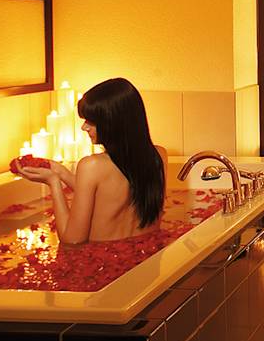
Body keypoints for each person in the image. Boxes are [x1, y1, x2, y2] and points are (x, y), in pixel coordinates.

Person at [16, 77, 166, 244]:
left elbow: (72, 240)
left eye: (91, 122)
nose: (84, 127)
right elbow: (108, 195)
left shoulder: (91, 165)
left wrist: (53, 182)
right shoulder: (159, 156)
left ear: (113, 123)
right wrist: (62, 172)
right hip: (147, 253)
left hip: (102, 258)